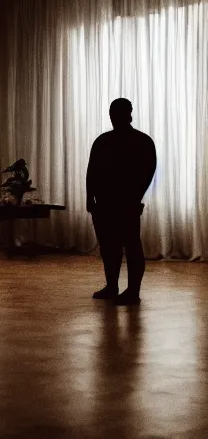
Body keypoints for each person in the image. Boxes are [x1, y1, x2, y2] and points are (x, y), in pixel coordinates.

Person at [86, 98, 157, 305]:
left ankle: (133, 291)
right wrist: (90, 198)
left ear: (129, 115)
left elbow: (147, 172)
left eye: (118, 113)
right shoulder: (103, 141)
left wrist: (135, 197)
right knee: (109, 247)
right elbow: (91, 172)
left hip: (126, 203)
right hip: (105, 204)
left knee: (131, 245)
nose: (114, 117)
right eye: (112, 113)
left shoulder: (141, 141)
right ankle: (112, 286)